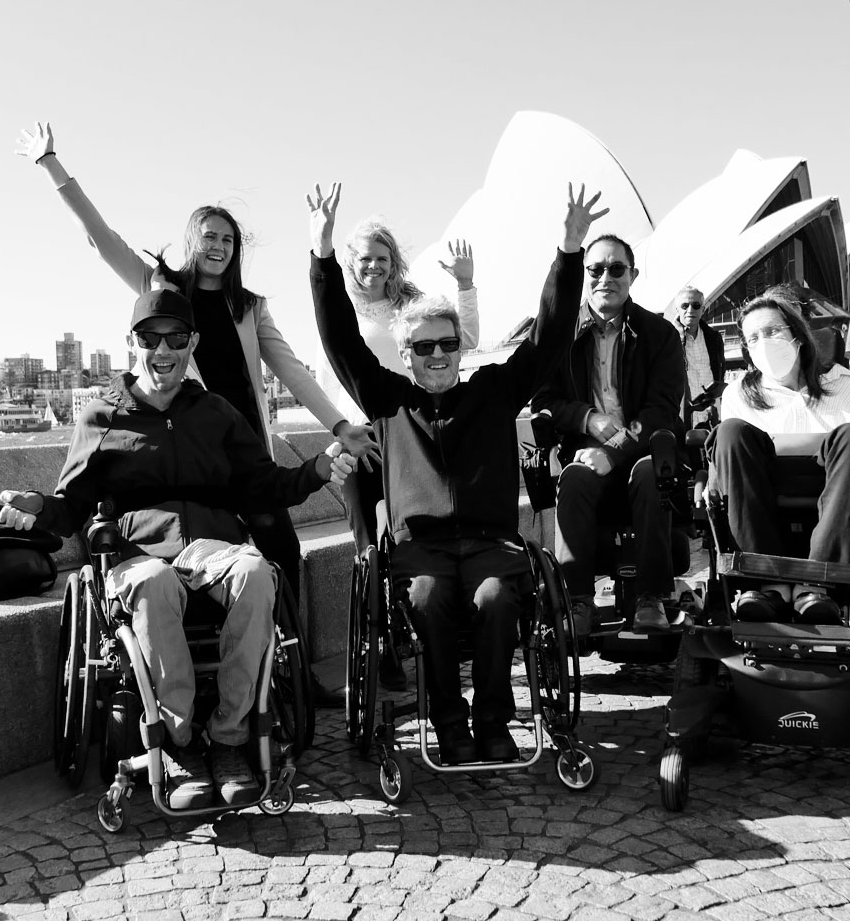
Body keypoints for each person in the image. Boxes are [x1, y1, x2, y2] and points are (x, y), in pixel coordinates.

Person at [15, 121, 377, 707]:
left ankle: (292, 678)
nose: (218, 246)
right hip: (174, 450)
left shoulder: (248, 307)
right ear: (193, 240)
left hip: (240, 456)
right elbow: (100, 237)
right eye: (209, 236)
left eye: (228, 240)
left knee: (282, 558)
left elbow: (291, 370)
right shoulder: (163, 291)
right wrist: (53, 165)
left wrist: (339, 427)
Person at [0, 289, 354, 810]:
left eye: (176, 338)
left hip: (211, 547)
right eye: (150, 338)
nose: (162, 349)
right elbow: (69, 507)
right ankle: (178, 746)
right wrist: (37, 507)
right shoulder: (101, 417)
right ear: (131, 343)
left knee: (257, 571)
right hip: (136, 555)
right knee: (154, 582)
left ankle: (231, 739)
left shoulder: (216, 413)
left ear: (194, 345)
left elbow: (263, 486)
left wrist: (318, 469)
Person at [311, 180, 604, 764]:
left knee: (498, 599)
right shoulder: (389, 400)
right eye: (423, 348)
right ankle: (449, 723)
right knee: (424, 597)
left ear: (461, 349)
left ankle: (493, 721)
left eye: (446, 344)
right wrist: (321, 256)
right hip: (421, 550)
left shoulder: (493, 393)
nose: (437, 355)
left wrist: (570, 253)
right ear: (408, 354)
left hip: (491, 542)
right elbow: (340, 339)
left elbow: (547, 338)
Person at [312, 202, 480, 688]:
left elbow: (463, 337)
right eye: (364, 258)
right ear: (348, 261)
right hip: (357, 437)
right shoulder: (337, 311)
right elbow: (328, 382)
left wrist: (465, 285)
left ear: (394, 263)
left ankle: (427, 619)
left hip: (408, 433)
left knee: (415, 534)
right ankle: (381, 638)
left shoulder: (412, 305)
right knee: (368, 539)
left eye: (382, 258)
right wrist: (341, 431)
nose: (373, 266)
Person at [532, 235, 686, 637]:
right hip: (585, 454)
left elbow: (661, 410)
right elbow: (544, 401)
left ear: (632, 275)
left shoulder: (661, 334)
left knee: (652, 475)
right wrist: (587, 419)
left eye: (616, 268)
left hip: (642, 451)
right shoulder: (560, 338)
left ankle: (651, 598)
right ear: (584, 276)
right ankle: (577, 601)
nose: (606, 277)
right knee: (575, 477)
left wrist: (614, 450)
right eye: (595, 269)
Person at [707, 287, 850, 625]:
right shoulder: (739, 395)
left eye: (771, 331)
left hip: (835, 496)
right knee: (729, 433)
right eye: (752, 338)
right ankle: (767, 583)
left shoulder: (844, 385)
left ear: (798, 337)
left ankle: (818, 582)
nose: (763, 343)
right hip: (764, 497)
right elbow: (730, 459)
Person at [671, 285, 726, 427]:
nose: (690, 310)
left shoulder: (714, 338)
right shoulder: (668, 338)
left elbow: (720, 373)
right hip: (681, 415)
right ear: (677, 309)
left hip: (712, 413)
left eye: (696, 306)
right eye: (685, 305)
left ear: (703, 310)